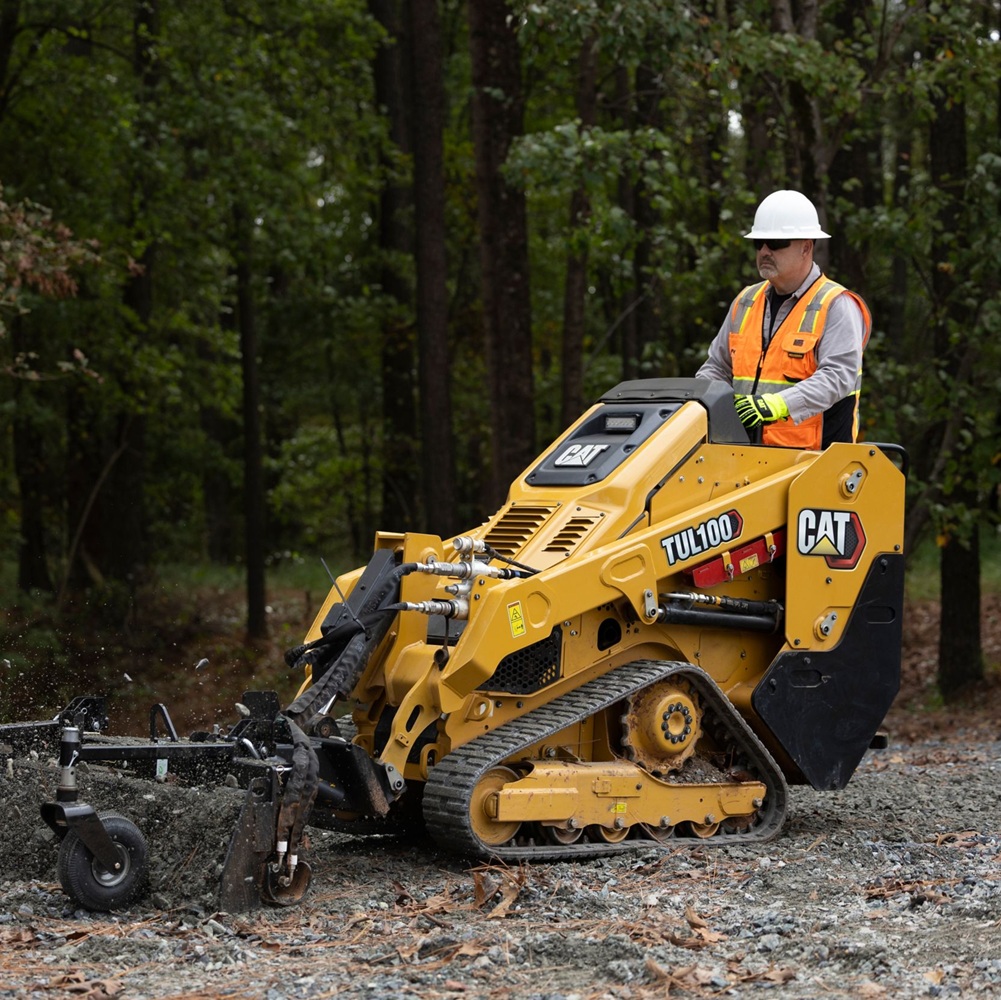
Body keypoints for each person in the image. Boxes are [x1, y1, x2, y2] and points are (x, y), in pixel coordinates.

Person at [696, 190, 871, 448]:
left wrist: (779, 404)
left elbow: (837, 377)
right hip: (743, 458)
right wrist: (704, 404)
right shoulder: (745, 301)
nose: (765, 251)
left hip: (813, 465)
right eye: (759, 243)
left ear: (806, 247)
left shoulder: (836, 305)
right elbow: (716, 367)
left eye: (776, 243)